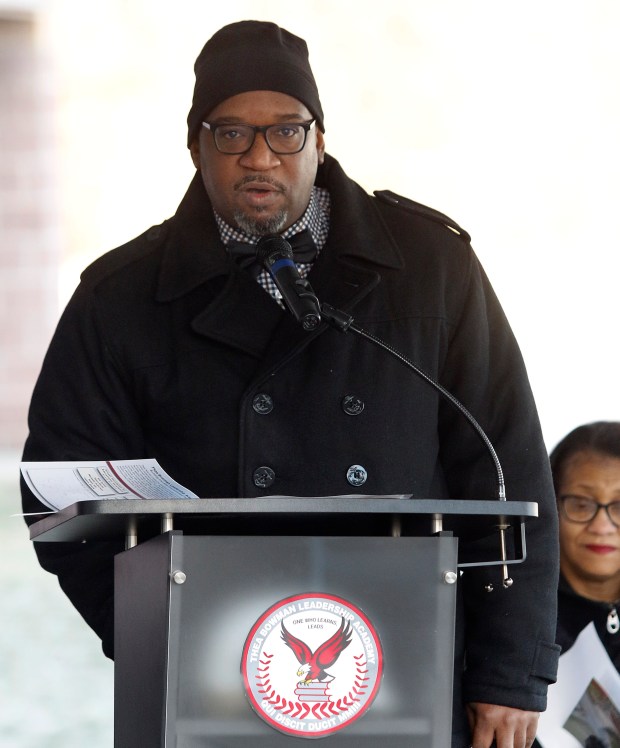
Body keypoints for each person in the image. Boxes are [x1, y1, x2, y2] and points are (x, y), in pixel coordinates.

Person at [20, 20, 560, 747]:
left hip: (415, 668)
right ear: (196, 146)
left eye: (285, 132)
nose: (260, 156)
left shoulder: (432, 266)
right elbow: (56, 494)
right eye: (231, 134)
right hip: (206, 680)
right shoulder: (120, 297)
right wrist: (161, 632)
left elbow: (507, 466)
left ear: (320, 139)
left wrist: (508, 674)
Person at [535, 422, 620, 747]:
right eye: (582, 504)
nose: (602, 525)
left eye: (619, 505)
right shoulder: (519, 627)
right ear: (551, 504)